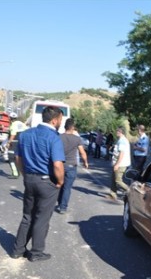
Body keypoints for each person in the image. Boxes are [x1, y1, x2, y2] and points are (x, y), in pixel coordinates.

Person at [10, 106, 65, 262]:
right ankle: (36, 252)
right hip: (47, 182)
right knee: (42, 218)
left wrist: (25, 175)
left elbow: (18, 159)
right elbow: (57, 165)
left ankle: (17, 250)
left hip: (29, 179)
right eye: (60, 120)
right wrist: (60, 181)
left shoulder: (26, 134)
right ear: (54, 120)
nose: (60, 123)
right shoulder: (54, 138)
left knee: (27, 216)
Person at [55, 118, 89, 214]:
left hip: (60, 165)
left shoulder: (59, 137)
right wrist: (85, 162)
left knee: (60, 185)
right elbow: (82, 152)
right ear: (73, 127)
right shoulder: (77, 139)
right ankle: (63, 207)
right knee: (67, 187)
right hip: (71, 166)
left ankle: (60, 202)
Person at [108, 127, 132, 200]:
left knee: (118, 181)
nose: (116, 133)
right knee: (113, 178)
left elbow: (121, 153)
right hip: (118, 163)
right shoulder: (121, 140)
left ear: (120, 132)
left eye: (117, 131)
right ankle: (113, 194)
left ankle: (130, 191)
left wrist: (117, 164)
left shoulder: (122, 141)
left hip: (121, 164)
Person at [5, 113, 28, 178]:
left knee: (11, 158)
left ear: (10, 118)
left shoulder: (13, 125)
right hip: (22, 143)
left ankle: (15, 173)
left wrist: (8, 143)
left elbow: (13, 134)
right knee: (18, 158)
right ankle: (18, 172)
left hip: (14, 143)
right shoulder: (22, 124)